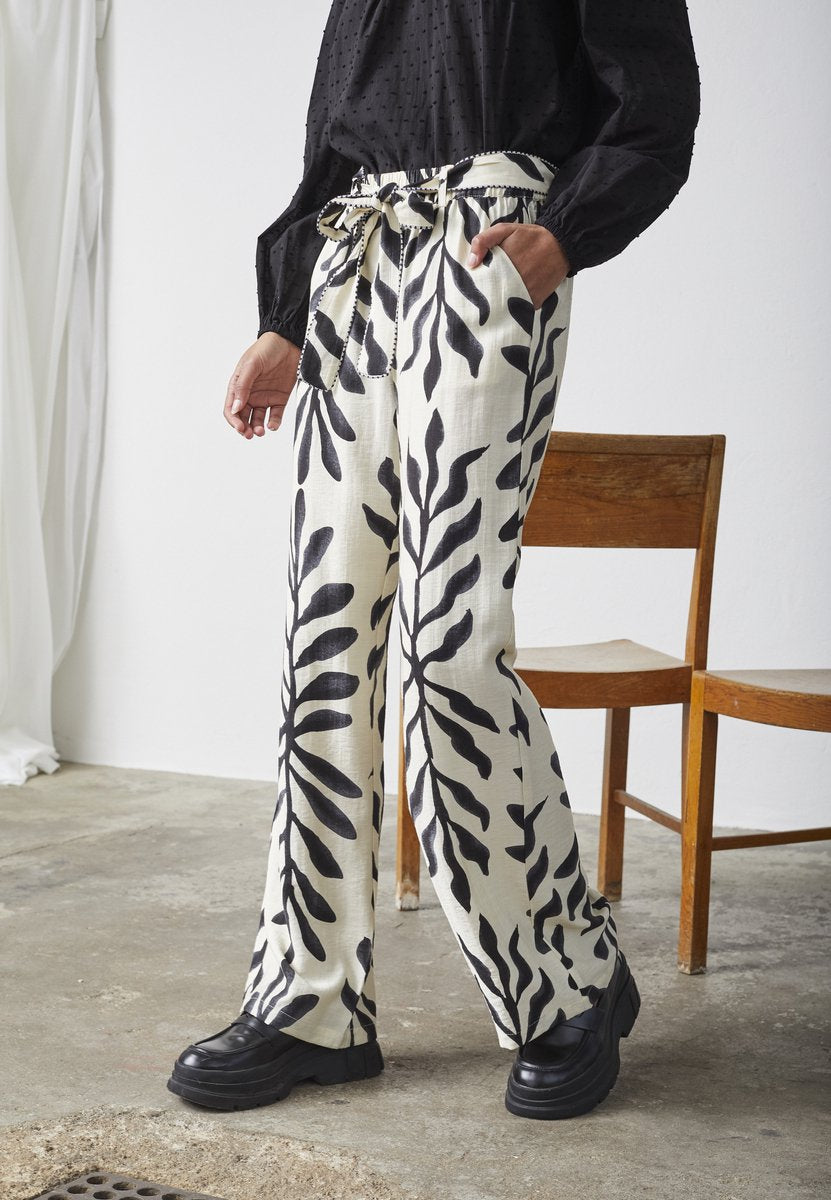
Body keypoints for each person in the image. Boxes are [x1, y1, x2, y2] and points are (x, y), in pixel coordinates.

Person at [167, 0, 700, 1121]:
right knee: (322, 642)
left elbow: (654, 101)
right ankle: (308, 1001)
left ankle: (566, 979)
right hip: (353, 267)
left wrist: (565, 230)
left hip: (484, 255)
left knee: (447, 644)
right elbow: (332, 145)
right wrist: (285, 320)